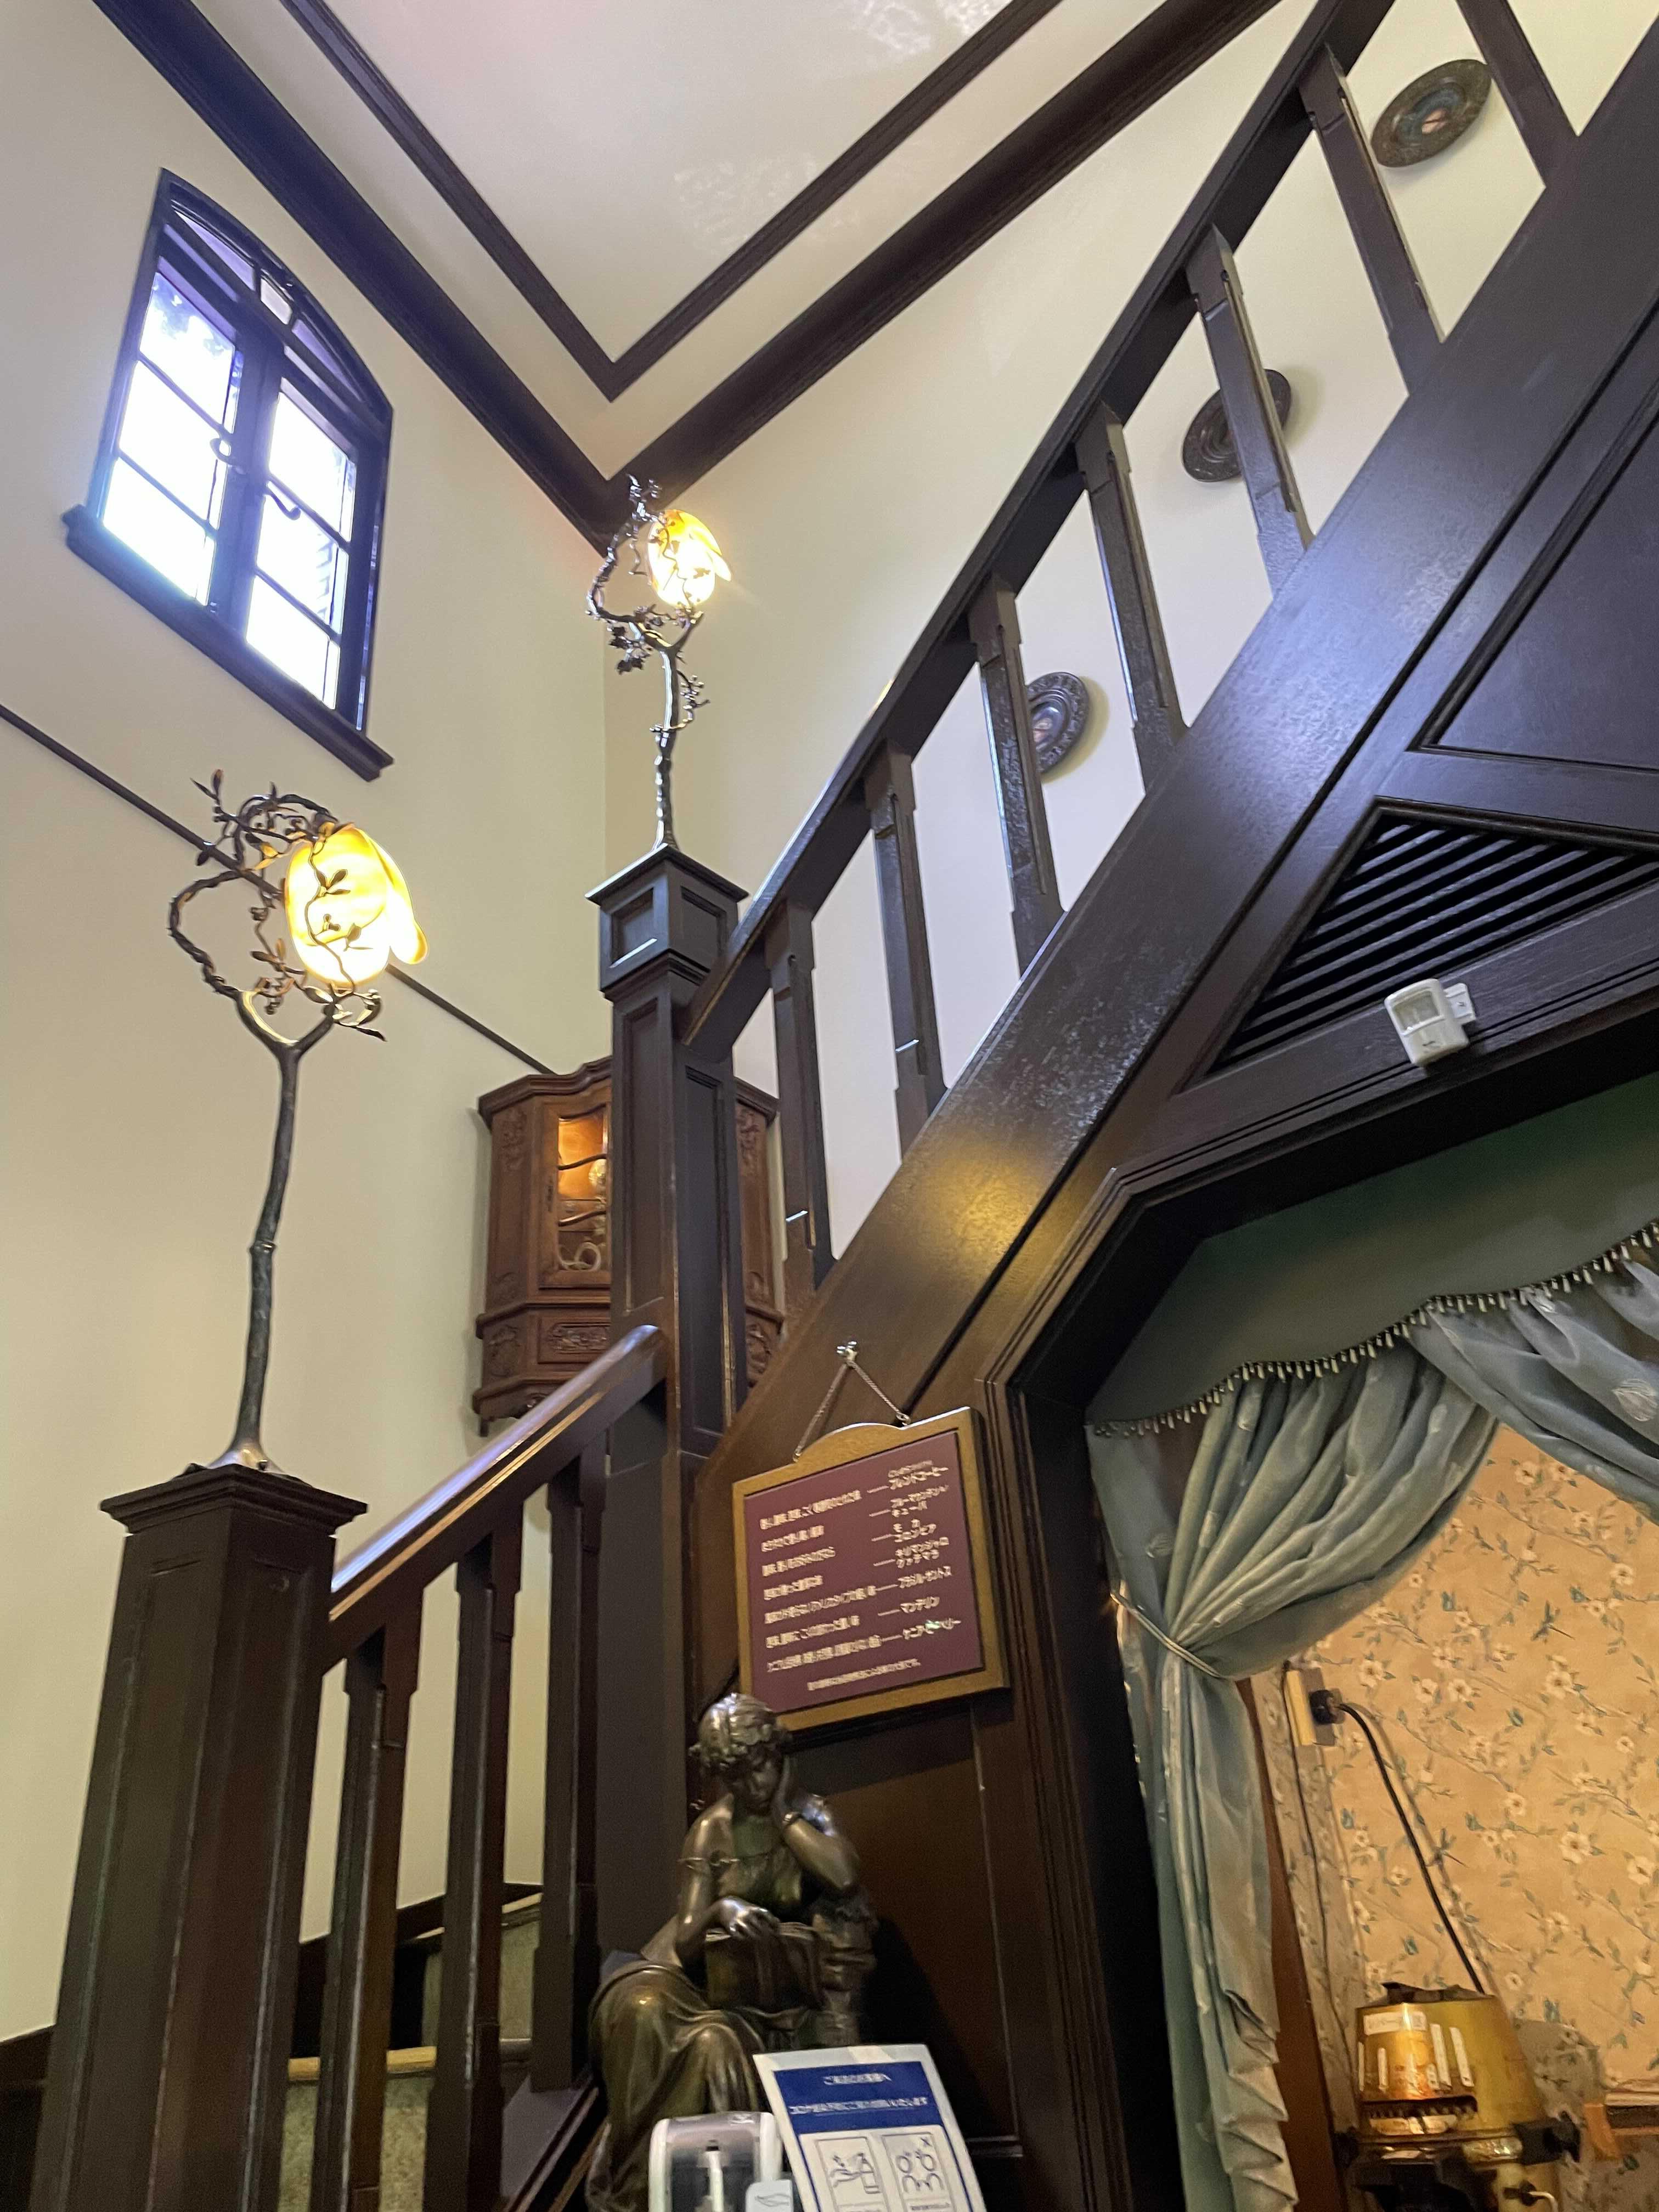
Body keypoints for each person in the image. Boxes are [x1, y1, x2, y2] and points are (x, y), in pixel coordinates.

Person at [585, 1692, 875, 2212]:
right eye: (734, 1777)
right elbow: (685, 1940)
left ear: (777, 1754)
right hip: (693, 1982)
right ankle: (636, 2188)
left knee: (714, 2045)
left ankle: (697, 2191)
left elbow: (844, 1876)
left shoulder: (810, 1814)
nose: (751, 1786)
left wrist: (785, 1816)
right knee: (640, 2010)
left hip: (765, 2002)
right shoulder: (712, 1830)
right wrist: (723, 1909)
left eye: (758, 1768)